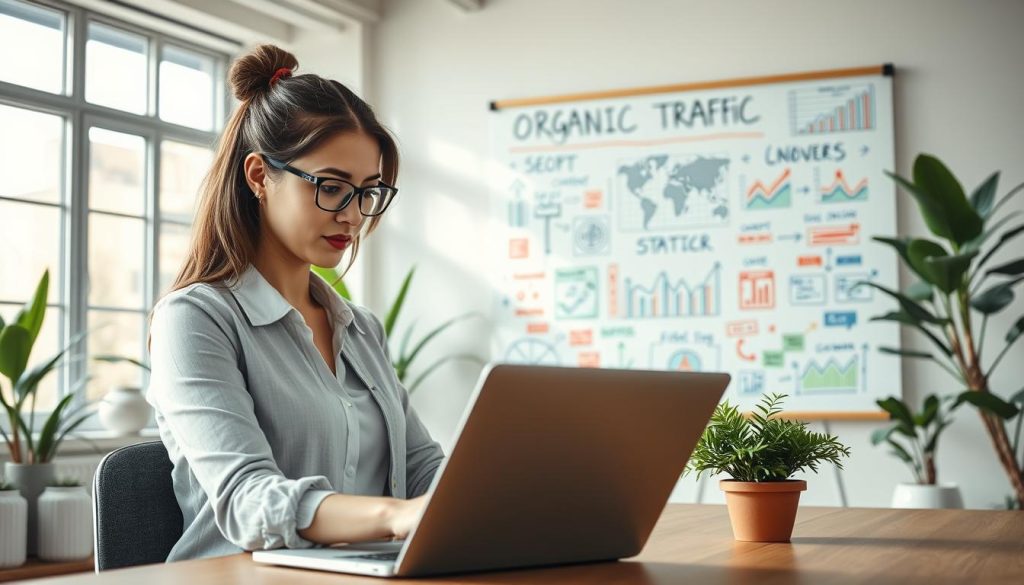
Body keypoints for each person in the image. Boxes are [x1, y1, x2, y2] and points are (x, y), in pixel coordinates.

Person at [145, 44, 444, 561]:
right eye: (332, 187)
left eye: (368, 191)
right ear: (260, 176)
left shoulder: (361, 328)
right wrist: (394, 516)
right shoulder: (195, 320)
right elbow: (247, 500)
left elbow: (420, 468)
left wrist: (500, 498)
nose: (353, 216)